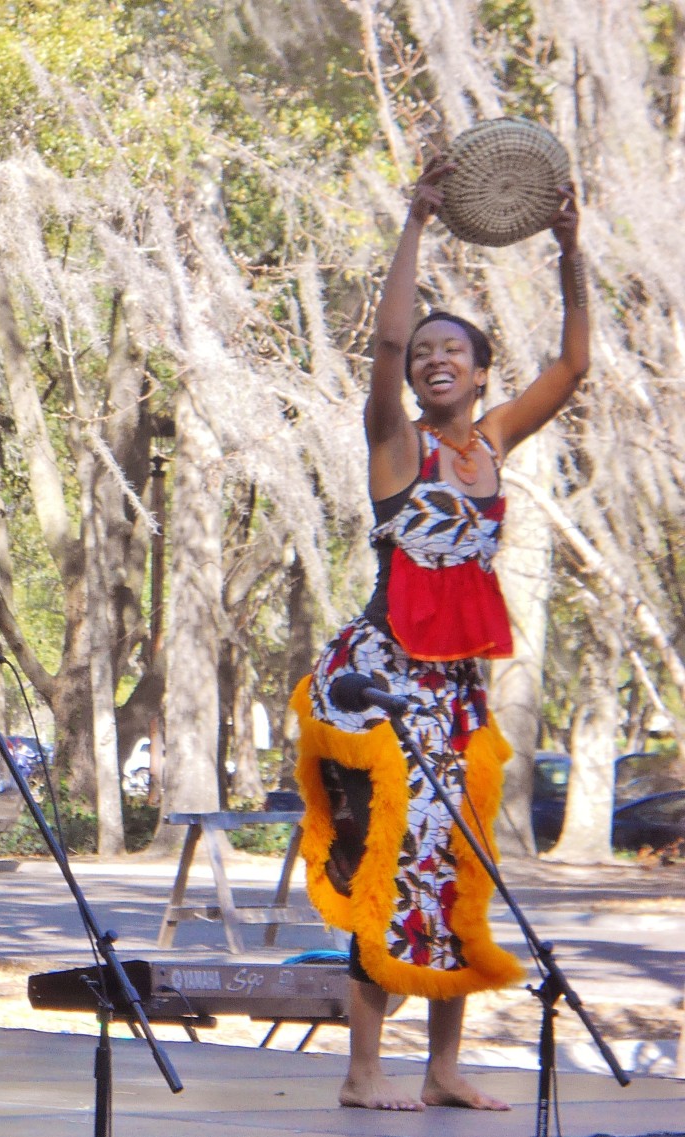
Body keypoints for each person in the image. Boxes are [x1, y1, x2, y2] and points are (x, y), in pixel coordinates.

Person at [291, 159, 589, 1111]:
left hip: (458, 684)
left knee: (457, 858)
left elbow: (577, 366)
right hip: (384, 676)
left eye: (452, 347)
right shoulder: (397, 442)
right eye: (425, 350)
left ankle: (445, 1065)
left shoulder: (492, 441)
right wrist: (414, 223)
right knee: (387, 857)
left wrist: (572, 251)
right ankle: (362, 1069)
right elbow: (381, 346)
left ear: (481, 369)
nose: (432, 356)